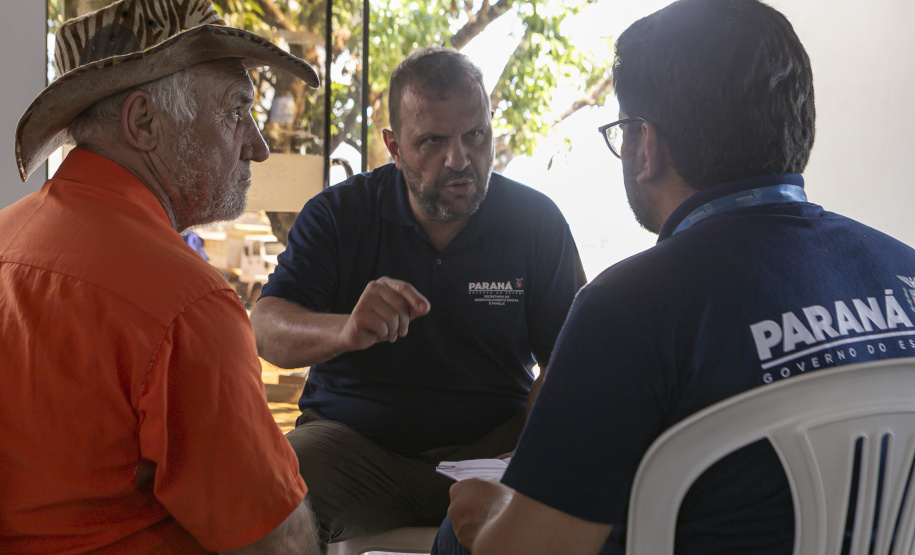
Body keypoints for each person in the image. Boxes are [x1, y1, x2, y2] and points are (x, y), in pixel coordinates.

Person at [434, 0, 915, 554]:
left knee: (460, 530)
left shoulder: (626, 309)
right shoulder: (902, 271)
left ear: (644, 144)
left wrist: (486, 522)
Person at [0, 0, 323, 553]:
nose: (258, 145)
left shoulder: (9, 237)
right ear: (144, 122)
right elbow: (276, 543)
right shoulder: (185, 303)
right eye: (235, 110)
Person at [249, 46, 586, 543]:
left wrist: (528, 453)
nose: (459, 159)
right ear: (394, 145)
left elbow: (569, 359)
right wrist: (344, 330)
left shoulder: (535, 223)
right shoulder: (340, 215)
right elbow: (265, 328)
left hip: (493, 453)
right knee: (260, 485)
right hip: (354, 448)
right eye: (432, 141)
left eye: (475, 135)